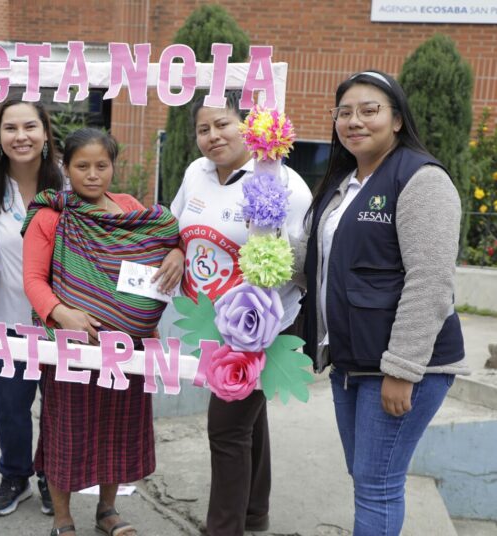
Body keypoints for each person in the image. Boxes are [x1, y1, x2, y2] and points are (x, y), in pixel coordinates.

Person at [300, 70, 468, 535]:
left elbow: (430, 282)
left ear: (396, 119)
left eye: (369, 110)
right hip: (351, 361)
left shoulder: (421, 179)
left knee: (378, 485)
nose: (354, 121)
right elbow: (315, 261)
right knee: (366, 478)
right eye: (344, 112)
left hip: (401, 366)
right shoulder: (342, 183)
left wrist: (402, 370)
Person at [161, 91, 312, 536]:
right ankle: (254, 512)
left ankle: (224, 528)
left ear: (249, 126)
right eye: (203, 129)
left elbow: (303, 264)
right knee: (248, 417)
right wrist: (176, 249)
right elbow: (177, 224)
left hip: (260, 324)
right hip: (208, 319)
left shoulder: (284, 184)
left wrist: (259, 315)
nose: (213, 136)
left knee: (227, 428)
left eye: (223, 124)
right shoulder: (196, 172)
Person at [22, 128, 180, 536]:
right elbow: (34, 280)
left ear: (113, 166)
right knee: (66, 431)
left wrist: (178, 252)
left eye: (101, 166)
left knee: (119, 428)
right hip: (71, 347)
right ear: (66, 167)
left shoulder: (129, 208)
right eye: (82, 166)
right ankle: (62, 518)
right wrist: (63, 314)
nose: (92, 174)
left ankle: (107, 510)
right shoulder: (50, 215)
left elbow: (163, 242)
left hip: (127, 348)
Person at [0, 98, 64, 517]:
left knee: (58, 407)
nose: (21, 136)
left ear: (45, 133)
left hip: (61, 321)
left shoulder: (68, 183)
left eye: (30, 126)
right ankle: (15, 475)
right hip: (5, 320)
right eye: (10, 128)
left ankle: (50, 475)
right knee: (10, 407)